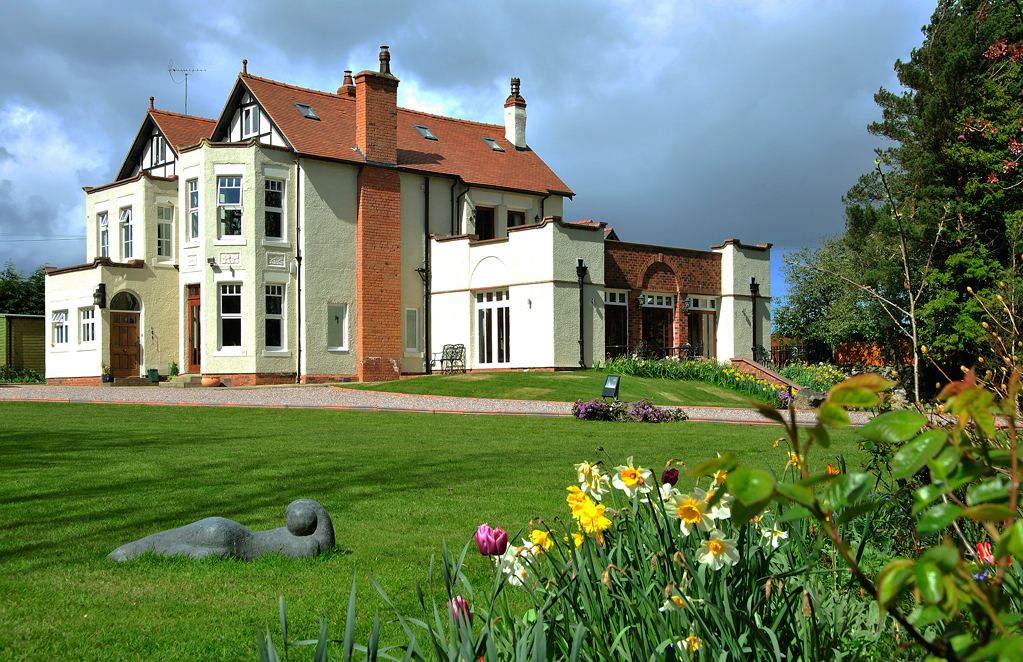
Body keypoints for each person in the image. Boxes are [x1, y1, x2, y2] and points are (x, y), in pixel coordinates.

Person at [108, 499, 334, 561]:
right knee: (175, 546)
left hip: (228, 531)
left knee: (170, 539)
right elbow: (325, 539)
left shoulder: (297, 538)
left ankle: (124, 553)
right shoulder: (310, 545)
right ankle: (125, 555)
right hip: (228, 541)